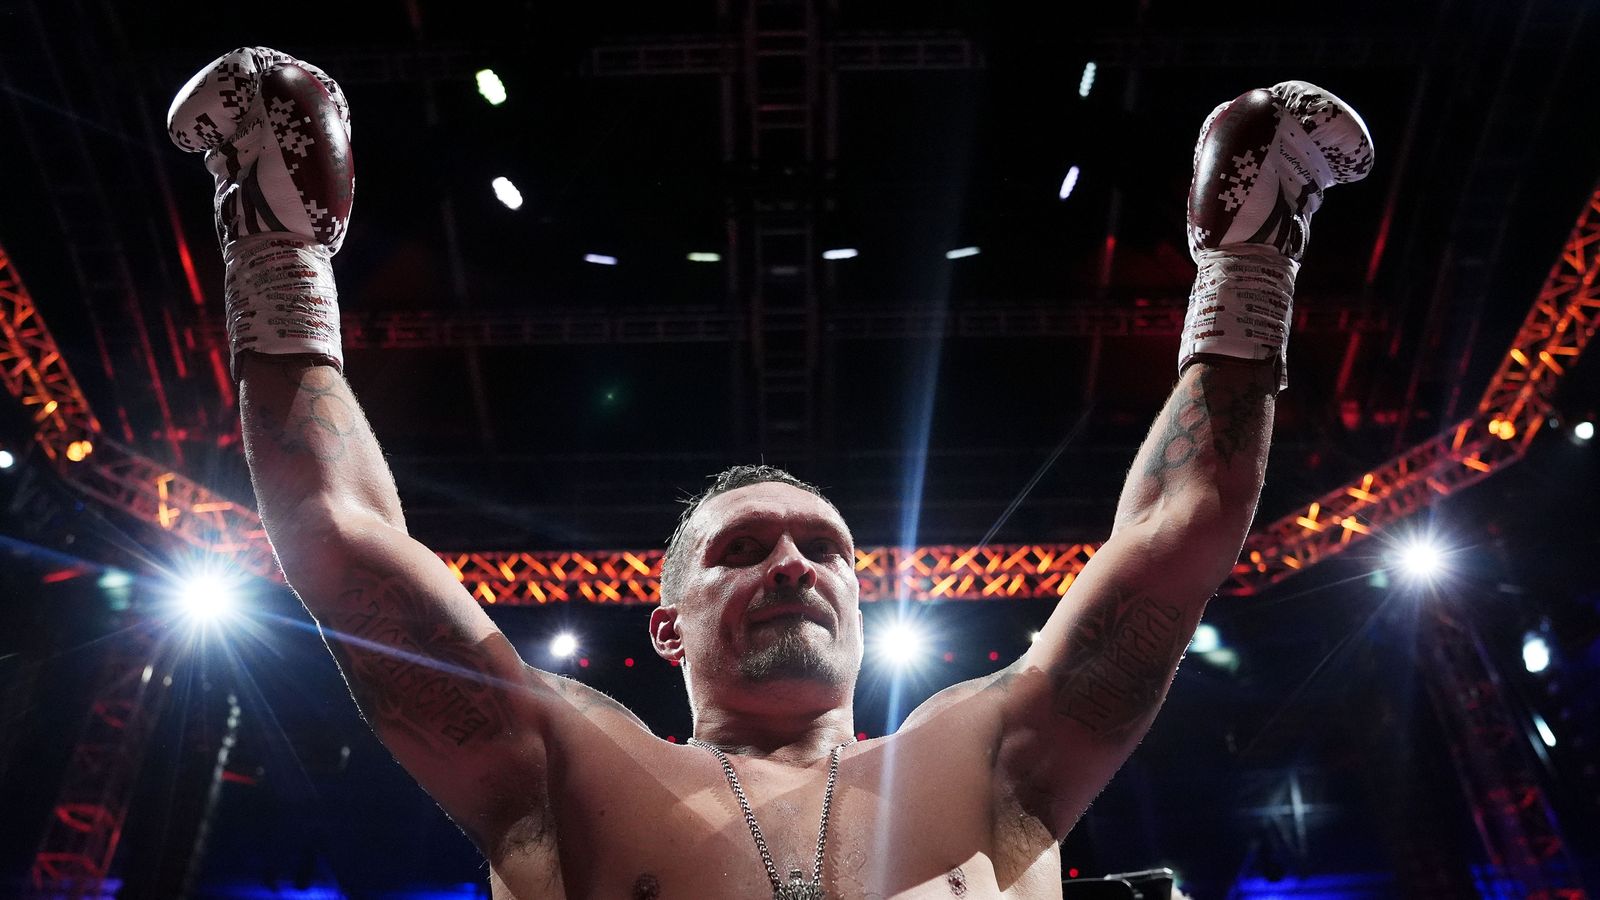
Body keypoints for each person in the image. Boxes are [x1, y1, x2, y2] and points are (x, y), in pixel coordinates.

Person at [167, 47, 1372, 899]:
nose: (793, 563)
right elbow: (340, 543)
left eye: (824, 548)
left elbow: (1180, 530)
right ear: (667, 627)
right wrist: (277, 250)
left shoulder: (992, 750)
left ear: (862, 604)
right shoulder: (572, 768)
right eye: (741, 550)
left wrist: (1246, 265)